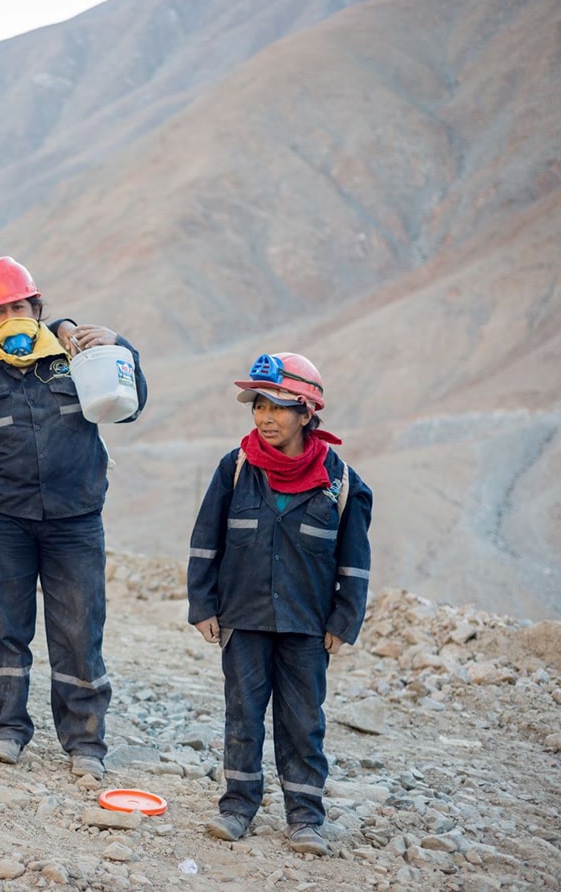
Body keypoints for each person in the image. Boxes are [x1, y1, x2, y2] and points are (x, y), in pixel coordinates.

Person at [0, 256, 147, 780]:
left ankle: (85, 742)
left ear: (38, 307)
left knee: (79, 630)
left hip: (75, 521)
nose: (11, 317)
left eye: (19, 305)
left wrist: (120, 346)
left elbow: (131, 404)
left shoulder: (75, 356)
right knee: (7, 628)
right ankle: (8, 730)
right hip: (4, 522)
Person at [186, 352, 373, 856]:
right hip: (243, 618)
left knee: (303, 721)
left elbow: (354, 561)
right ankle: (237, 807)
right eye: (257, 406)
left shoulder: (341, 482)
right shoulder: (236, 468)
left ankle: (305, 817)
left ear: (308, 413)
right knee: (242, 713)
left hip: (307, 626)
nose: (265, 418)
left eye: (278, 407)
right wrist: (202, 603)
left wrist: (344, 619)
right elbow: (206, 540)